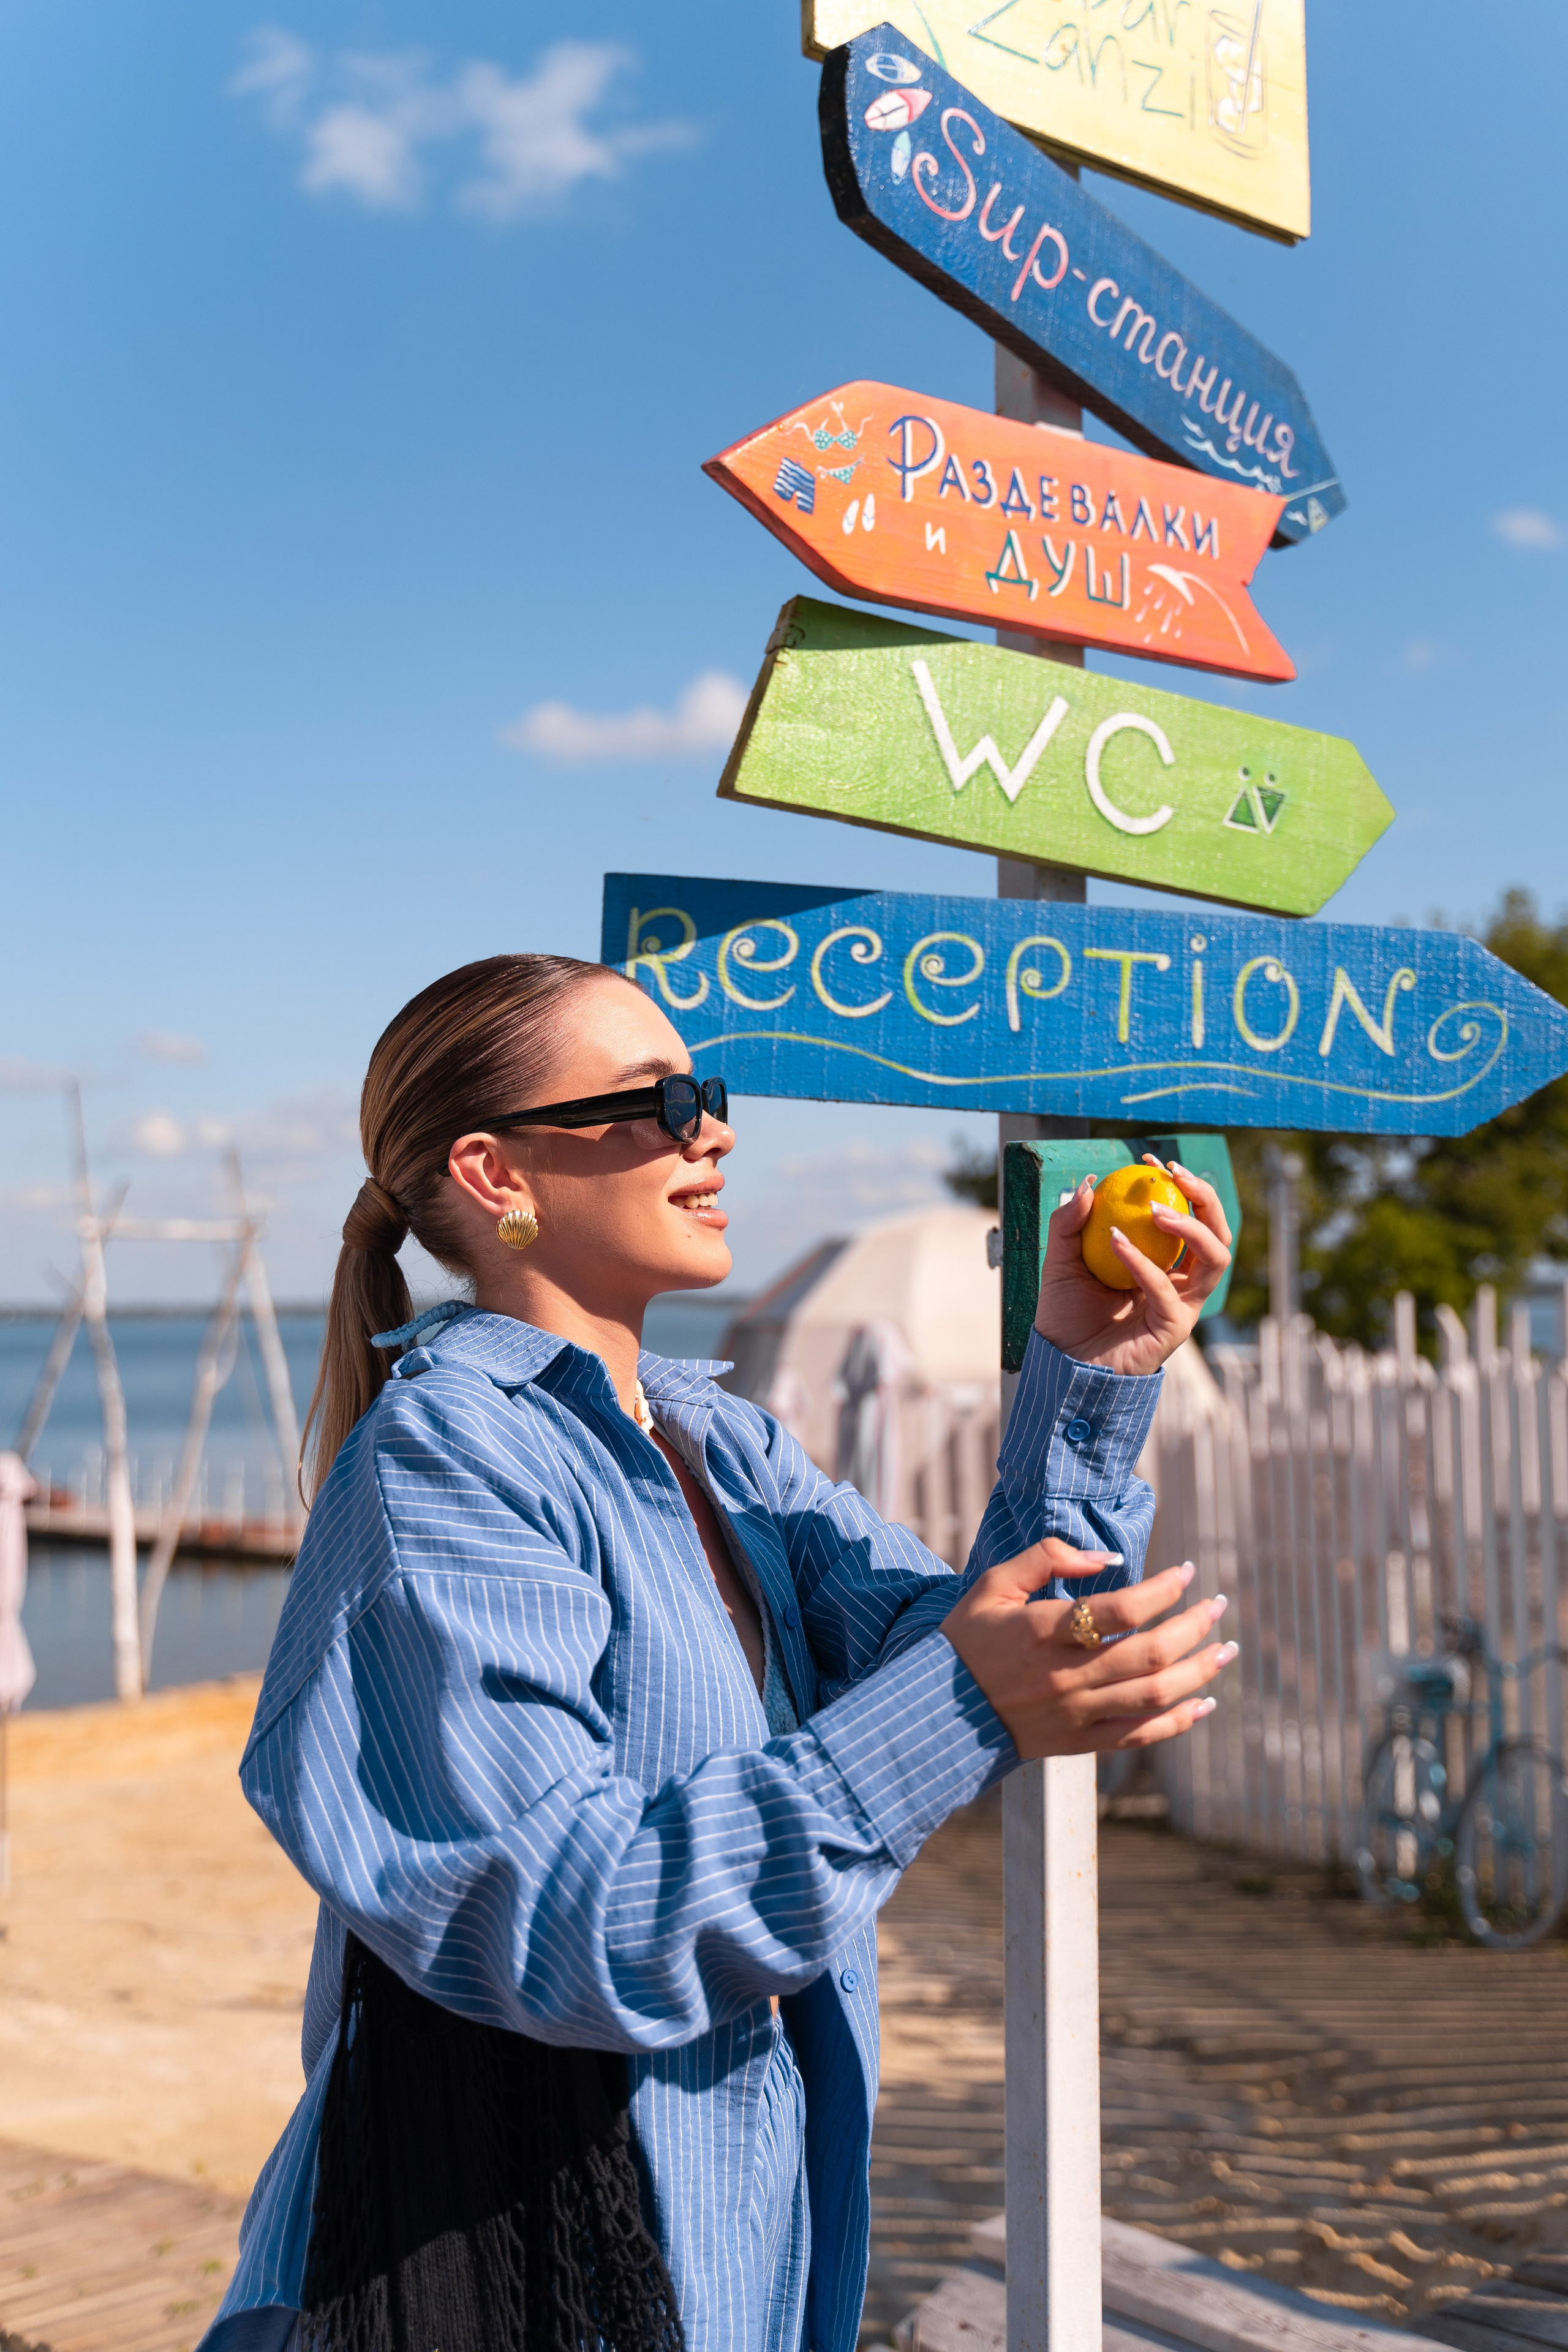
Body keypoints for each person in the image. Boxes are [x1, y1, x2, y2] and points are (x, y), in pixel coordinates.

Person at [201, 951, 1236, 2352]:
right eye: (662, 1098)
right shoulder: (443, 1464)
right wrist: (959, 1700)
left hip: (744, 2241)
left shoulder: (715, 1441)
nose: (716, 1128)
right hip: (522, 2262)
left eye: (714, 1090)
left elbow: (1005, 1645)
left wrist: (1094, 1366)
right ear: (497, 1177)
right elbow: (572, 1925)